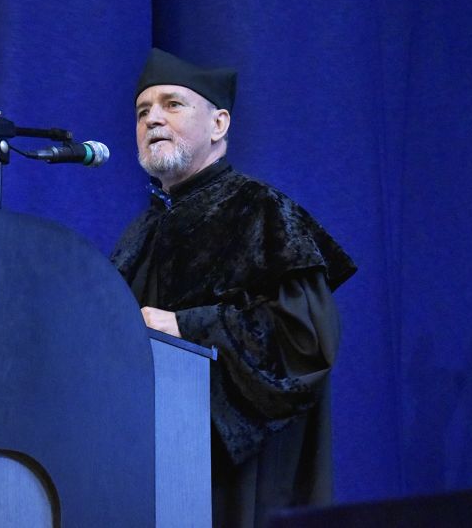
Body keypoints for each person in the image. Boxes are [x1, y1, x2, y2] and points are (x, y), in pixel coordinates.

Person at [111, 48, 357, 527]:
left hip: (240, 472)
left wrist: (186, 326)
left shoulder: (262, 211)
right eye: (142, 112)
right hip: (151, 464)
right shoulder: (140, 234)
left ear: (219, 124)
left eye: (172, 104)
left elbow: (304, 342)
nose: (153, 119)